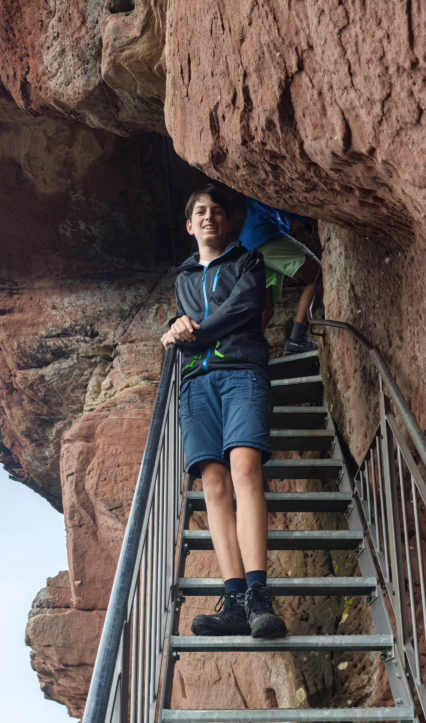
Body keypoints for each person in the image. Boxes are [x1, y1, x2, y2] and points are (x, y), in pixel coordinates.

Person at [160, 184, 288, 640]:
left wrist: (187, 335)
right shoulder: (184, 278)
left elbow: (245, 309)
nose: (209, 216)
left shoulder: (247, 261)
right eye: (200, 211)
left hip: (241, 373)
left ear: (227, 222)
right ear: (190, 225)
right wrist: (177, 326)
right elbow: (189, 319)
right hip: (197, 383)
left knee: (245, 468)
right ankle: (234, 599)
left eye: (216, 210)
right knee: (214, 485)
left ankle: (258, 595)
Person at [239, 198, 320, 355]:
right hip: (267, 235)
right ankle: (298, 337)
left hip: (249, 244)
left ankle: (248, 351)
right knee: (319, 276)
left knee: (266, 306)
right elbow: (283, 203)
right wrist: (309, 218)